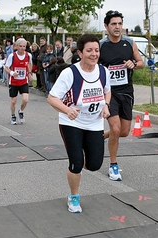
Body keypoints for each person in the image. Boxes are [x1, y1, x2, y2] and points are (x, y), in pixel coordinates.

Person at [48, 34, 111, 213]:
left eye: (96, 50)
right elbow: (52, 98)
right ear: (80, 53)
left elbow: (108, 92)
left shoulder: (103, 72)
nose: (94, 54)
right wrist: (67, 110)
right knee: (76, 163)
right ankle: (74, 197)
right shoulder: (70, 73)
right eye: (89, 50)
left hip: (94, 123)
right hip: (71, 123)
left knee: (94, 165)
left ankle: (88, 149)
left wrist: (106, 105)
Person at [99, 10, 144, 181]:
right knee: (116, 129)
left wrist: (133, 64)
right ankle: (113, 166)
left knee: (124, 132)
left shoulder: (129, 43)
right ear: (106, 26)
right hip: (109, 94)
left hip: (126, 92)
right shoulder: (102, 45)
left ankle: (100, 136)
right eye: (114, 24)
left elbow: (141, 63)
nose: (117, 27)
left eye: (120, 24)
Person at [4, 38, 33, 125]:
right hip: (13, 82)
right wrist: (12, 73)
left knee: (25, 100)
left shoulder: (28, 55)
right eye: (20, 46)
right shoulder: (12, 56)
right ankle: (13, 115)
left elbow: (29, 64)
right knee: (13, 101)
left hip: (23, 81)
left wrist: (30, 73)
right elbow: (6, 67)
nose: (22, 48)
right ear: (16, 46)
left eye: (24, 46)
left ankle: (21, 111)